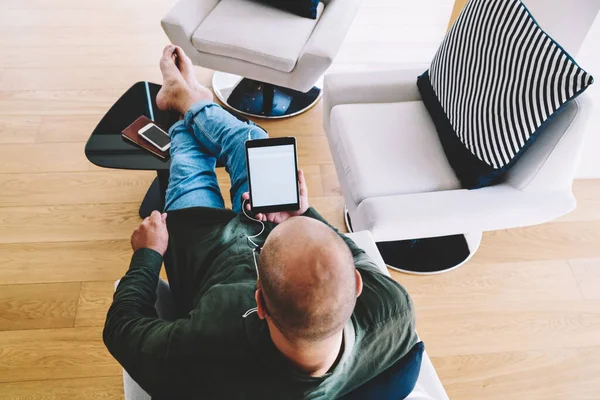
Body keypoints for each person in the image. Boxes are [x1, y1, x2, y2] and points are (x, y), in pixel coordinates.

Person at [103, 45, 420, 400]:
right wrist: (300, 214)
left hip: (201, 246)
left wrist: (148, 254)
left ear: (260, 303)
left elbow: (122, 330)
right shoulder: (392, 308)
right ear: (358, 284)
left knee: (190, 152)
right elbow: (346, 253)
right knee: (254, 143)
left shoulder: (209, 344)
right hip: (262, 213)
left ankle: (188, 105)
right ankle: (193, 100)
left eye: (282, 234)